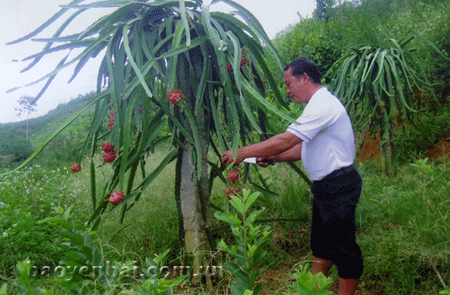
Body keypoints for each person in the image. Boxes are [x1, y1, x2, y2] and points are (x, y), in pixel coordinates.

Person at [221, 57, 363, 295]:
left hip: (339, 184)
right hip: (326, 186)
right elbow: (300, 148)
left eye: (289, 84)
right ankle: (312, 290)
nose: (287, 91)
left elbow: (286, 140)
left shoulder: (322, 105)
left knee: (344, 250)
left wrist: (241, 152)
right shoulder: (316, 106)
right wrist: (273, 157)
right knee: (321, 246)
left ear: (305, 78)